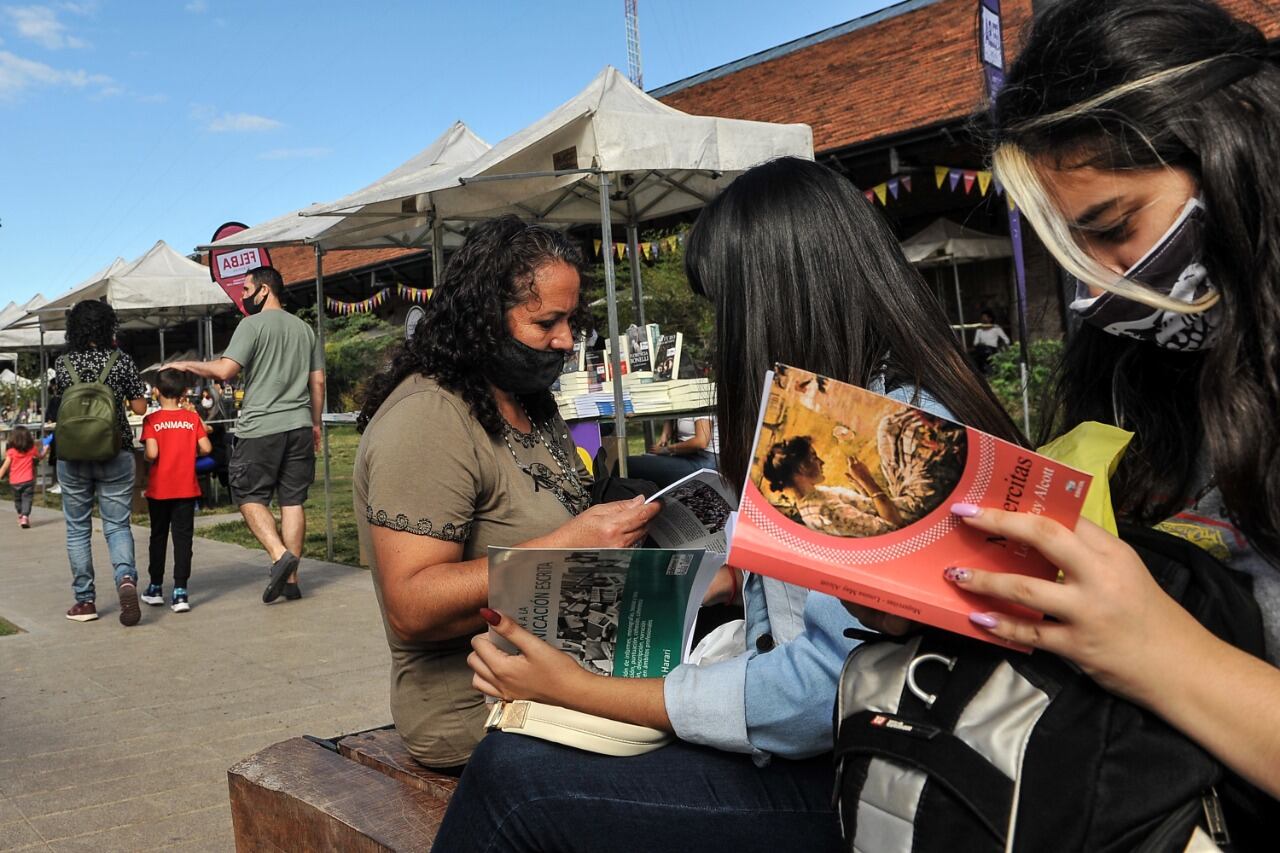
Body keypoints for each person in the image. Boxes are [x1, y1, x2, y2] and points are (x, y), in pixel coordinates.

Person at [430, 157, 1023, 851]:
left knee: (515, 780)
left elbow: (815, 695)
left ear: (774, 299)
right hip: (867, 760)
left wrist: (576, 687)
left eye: (725, 308)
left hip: (874, 786)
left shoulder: (883, 437)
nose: (722, 338)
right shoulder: (883, 406)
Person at [907, 0, 1280, 802]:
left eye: (1113, 226)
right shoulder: (1146, 375)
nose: (1097, 290)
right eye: (1072, 252)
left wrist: (1160, 651)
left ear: (1238, 144)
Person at [353, 216, 662, 771]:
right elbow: (411, 606)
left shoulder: (528, 402)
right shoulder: (430, 418)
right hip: (477, 709)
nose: (566, 339)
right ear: (484, 319)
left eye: (572, 320)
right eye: (547, 322)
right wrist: (569, 545)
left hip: (564, 675)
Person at [168, 266, 325, 605]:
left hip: (261, 427)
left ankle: (279, 554)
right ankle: (292, 581)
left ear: (265, 290)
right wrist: (314, 423)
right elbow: (318, 383)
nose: (241, 296)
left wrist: (189, 366)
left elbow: (226, 370)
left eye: (245, 289)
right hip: (299, 425)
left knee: (246, 492)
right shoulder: (304, 329)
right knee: (292, 501)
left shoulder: (251, 326)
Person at [51, 300, 148, 625]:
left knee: (77, 529)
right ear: (109, 326)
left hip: (73, 454)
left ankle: (85, 601)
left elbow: (57, 406)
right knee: (117, 525)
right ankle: (126, 579)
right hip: (115, 450)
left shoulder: (62, 363)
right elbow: (139, 408)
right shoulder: (121, 361)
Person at [139, 369, 212, 613]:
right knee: (183, 539)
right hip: (185, 487)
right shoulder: (191, 420)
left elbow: (152, 454)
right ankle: (180, 591)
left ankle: (156, 587)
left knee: (158, 537)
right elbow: (206, 448)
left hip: (160, 489)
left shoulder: (151, 420)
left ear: (156, 391)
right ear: (183, 393)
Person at [625, 416, 719, 488]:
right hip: (689, 457)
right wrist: (665, 434)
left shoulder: (698, 398)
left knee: (626, 465)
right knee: (644, 460)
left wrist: (667, 449)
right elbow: (669, 431)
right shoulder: (681, 401)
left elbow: (701, 442)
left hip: (706, 462)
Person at [1, 425, 44, 528]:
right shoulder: (32, 449)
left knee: (18, 500)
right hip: (28, 480)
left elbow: (4, 467)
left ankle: (21, 514)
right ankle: (25, 516)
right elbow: (40, 457)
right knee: (27, 499)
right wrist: (45, 450)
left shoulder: (11, 452)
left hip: (14, 481)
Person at [970, 308, 1009, 374]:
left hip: (992, 349)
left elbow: (1006, 340)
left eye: (985, 318)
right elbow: (975, 342)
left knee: (986, 352)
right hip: (981, 349)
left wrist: (1003, 348)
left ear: (990, 319)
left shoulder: (996, 327)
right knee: (978, 353)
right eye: (982, 318)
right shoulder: (979, 329)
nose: (983, 319)